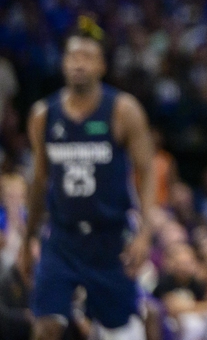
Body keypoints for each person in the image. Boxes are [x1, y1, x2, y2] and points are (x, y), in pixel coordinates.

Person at [19, 18, 156, 340]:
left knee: (119, 331)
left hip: (109, 239)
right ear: (63, 63)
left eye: (87, 57)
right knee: (46, 325)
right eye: (72, 57)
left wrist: (146, 231)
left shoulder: (123, 110)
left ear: (102, 66)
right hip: (63, 239)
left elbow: (147, 171)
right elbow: (39, 181)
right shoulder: (43, 115)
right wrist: (28, 240)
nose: (78, 63)